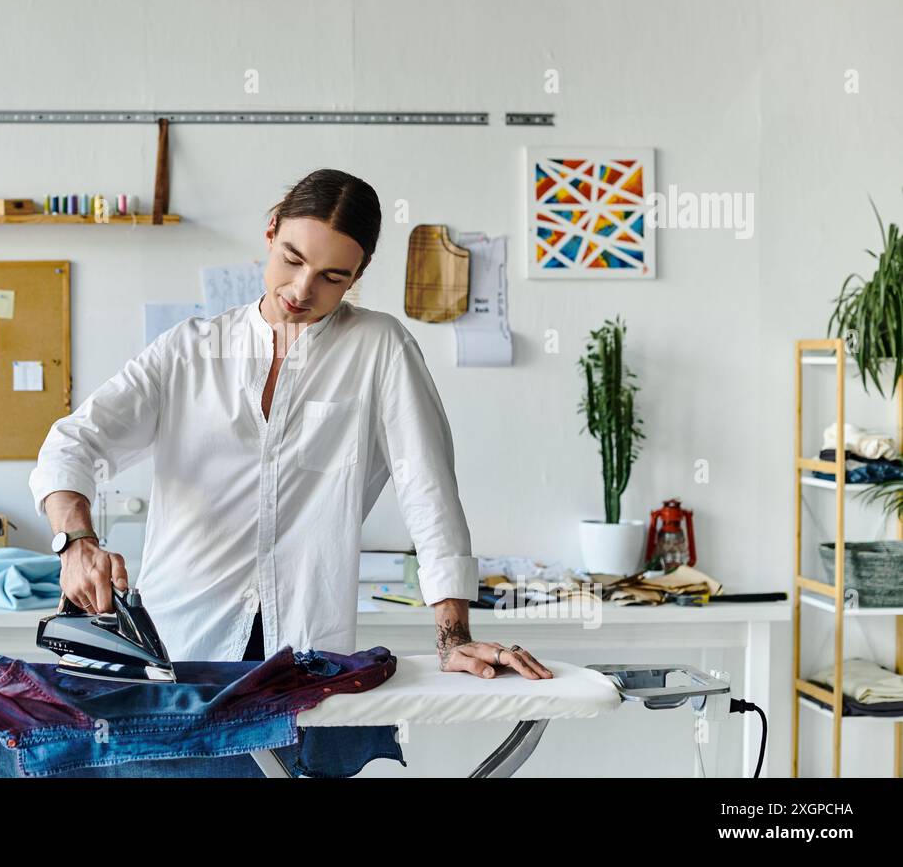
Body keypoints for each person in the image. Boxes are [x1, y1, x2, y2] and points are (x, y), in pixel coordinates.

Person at [30, 169, 551, 775]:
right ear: (270, 231)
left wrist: (453, 638)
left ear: (359, 274)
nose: (303, 290)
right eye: (292, 259)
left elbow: (428, 491)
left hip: (304, 661)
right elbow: (72, 442)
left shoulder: (380, 348)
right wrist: (77, 541)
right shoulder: (187, 352)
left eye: (334, 277)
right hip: (180, 656)